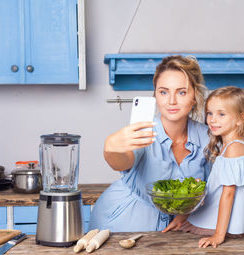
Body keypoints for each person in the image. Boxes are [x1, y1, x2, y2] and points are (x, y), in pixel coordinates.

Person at [89, 55, 211, 232]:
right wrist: (110, 148)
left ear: (194, 97)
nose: (171, 101)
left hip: (179, 231)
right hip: (121, 224)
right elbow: (122, 161)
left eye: (181, 92)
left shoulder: (208, 137)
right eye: (163, 92)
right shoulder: (141, 132)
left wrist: (189, 210)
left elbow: (214, 186)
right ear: (155, 95)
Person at [163, 86, 244, 248]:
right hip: (224, 221)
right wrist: (185, 216)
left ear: (241, 118)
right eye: (210, 113)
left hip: (229, 227)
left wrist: (218, 235)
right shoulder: (229, 146)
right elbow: (218, 190)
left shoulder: (234, 148)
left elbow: (228, 195)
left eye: (221, 114)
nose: (213, 119)